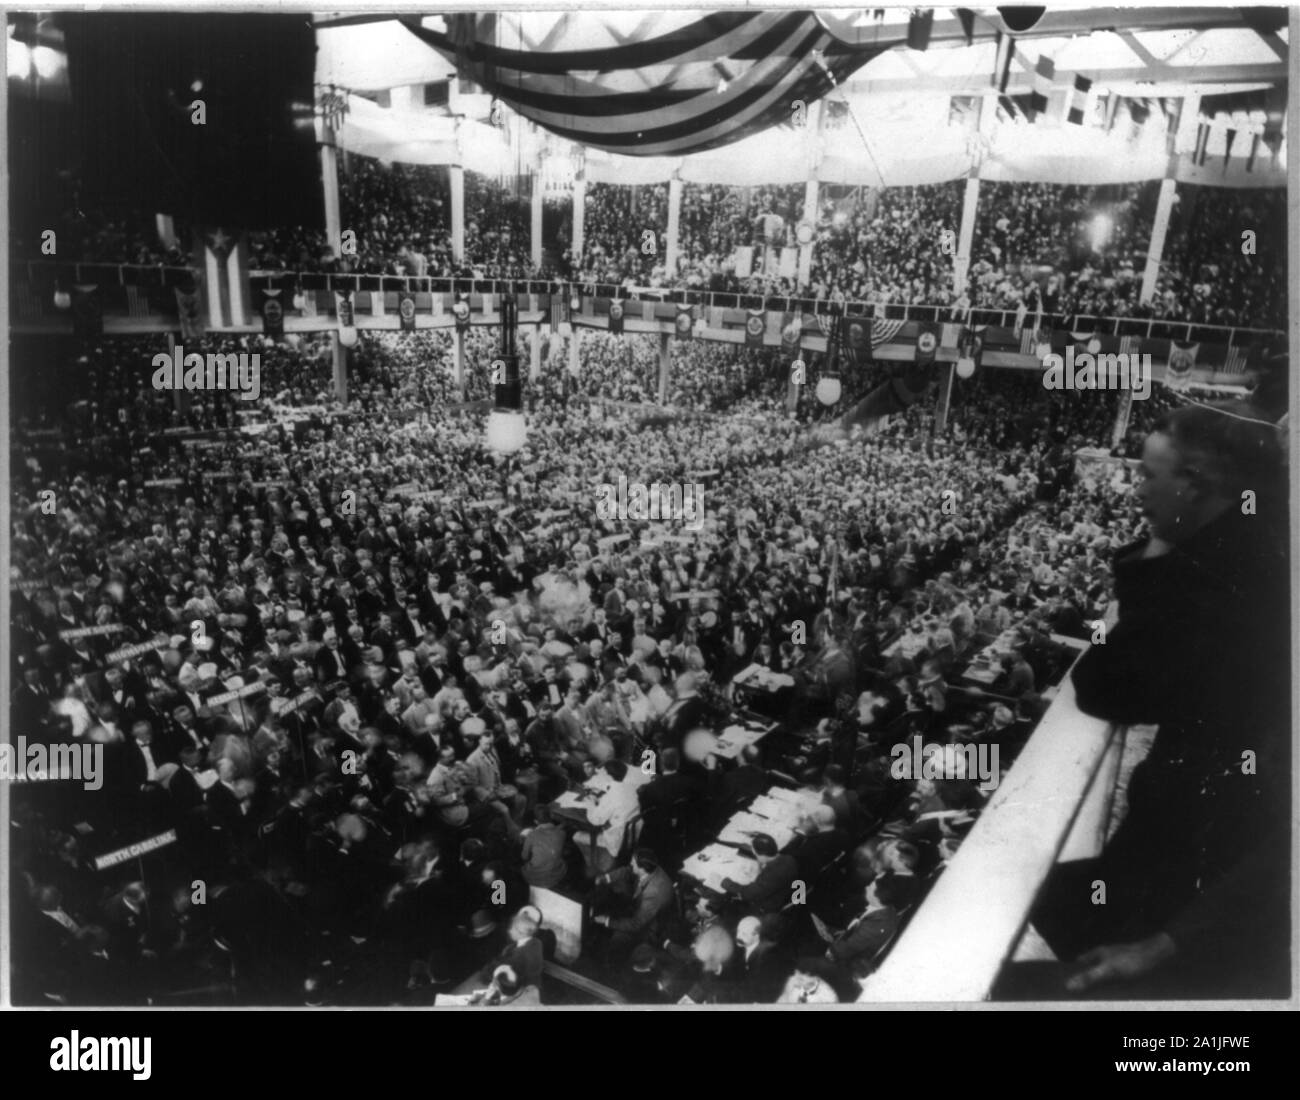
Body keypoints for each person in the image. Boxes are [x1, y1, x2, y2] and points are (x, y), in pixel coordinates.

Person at [1029, 403, 1289, 998]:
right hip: (1209, 841)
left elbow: (1106, 686)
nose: (1138, 491)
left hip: (1204, 866)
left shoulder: (1218, 581)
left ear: (1195, 481)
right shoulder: (1256, 546)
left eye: (1149, 475)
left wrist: (1153, 555)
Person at [591, 848, 675, 956]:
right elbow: (627, 870)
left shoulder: (653, 893)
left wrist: (607, 921)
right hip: (642, 906)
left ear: (642, 869)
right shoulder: (649, 869)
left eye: (633, 863)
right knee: (616, 891)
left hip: (651, 926)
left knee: (617, 939)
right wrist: (606, 878)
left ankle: (610, 959)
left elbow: (636, 924)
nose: (630, 863)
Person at [721, 832, 800, 914]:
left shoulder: (770, 876)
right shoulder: (788, 858)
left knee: (726, 900)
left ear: (763, 855)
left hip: (770, 906)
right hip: (786, 892)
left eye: (755, 854)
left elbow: (748, 894)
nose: (755, 855)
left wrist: (724, 882)